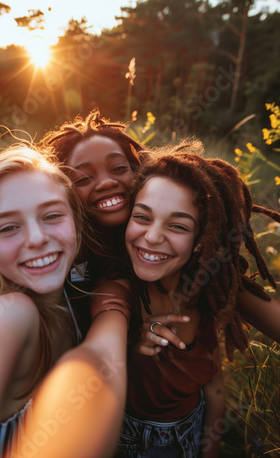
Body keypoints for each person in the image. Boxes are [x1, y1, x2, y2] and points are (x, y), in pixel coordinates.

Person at [90, 140, 280, 458]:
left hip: (193, 434)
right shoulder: (117, 287)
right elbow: (101, 339)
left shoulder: (211, 282)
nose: (152, 237)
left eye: (177, 225)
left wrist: (210, 449)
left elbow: (213, 384)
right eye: (142, 217)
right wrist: (130, 340)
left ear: (202, 238)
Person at [0, 145, 127, 458]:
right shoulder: (10, 313)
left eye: (52, 215)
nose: (36, 238)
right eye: (8, 227)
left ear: (76, 221)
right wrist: (116, 310)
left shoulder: (71, 295)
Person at [40, 109, 190, 347]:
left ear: (138, 170)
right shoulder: (62, 252)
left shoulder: (173, 242)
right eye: (83, 178)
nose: (107, 182)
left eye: (119, 168)